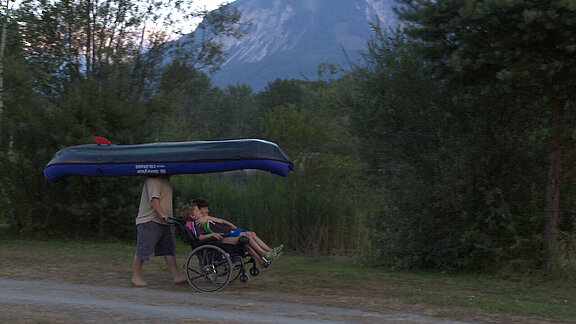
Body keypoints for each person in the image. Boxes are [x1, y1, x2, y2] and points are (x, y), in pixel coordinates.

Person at [179, 201, 283, 267]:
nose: (200, 212)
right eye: (197, 211)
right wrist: (212, 235)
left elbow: (219, 222)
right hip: (217, 241)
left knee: (247, 237)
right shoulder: (196, 224)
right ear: (192, 216)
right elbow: (200, 237)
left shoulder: (203, 220)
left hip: (222, 236)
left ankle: (265, 255)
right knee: (245, 236)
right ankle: (265, 254)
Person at [131, 175, 187, 287]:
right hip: (150, 220)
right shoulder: (153, 179)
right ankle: (136, 276)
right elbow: (154, 199)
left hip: (164, 221)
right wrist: (162, 214)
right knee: (143, 249)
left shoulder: (165, 180)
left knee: (168, 250)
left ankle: (176, 276)